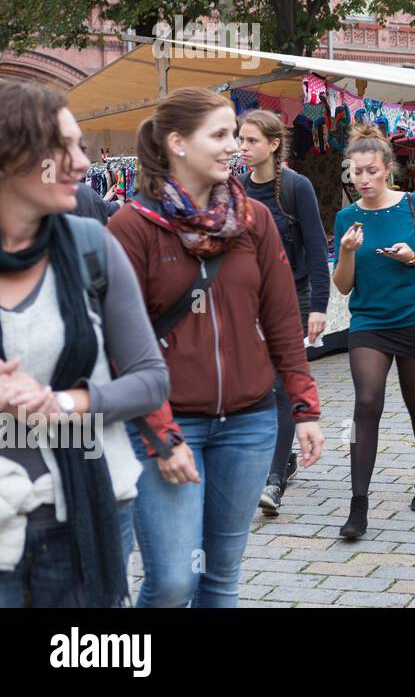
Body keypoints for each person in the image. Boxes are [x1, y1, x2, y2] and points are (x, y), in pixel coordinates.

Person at [109, 87, 323, 607]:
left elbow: (280, 321)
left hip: (249, 422)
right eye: (221, 134)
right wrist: (161, 433)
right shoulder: (131, 227)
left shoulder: (254, 220)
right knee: (173, 580)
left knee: (222, 577)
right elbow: (122, 346)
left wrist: (305, 405)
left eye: (238, 135)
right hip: (167, 424)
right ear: (178, 143)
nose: (235, 147)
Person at [0, 82, 169, 608]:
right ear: (13, 155)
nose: (80, 162)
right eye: (64, 147)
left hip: (89, 507)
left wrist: (64, 402)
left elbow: (150, 378)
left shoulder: (93, 247)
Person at [331, 124, 415, 540]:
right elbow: (344, 285)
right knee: (367, 403)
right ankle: (358, 506)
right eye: (355, 173)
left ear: (387, 169)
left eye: (370, 171)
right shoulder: (346, 217)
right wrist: (346, 252)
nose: (362, 180)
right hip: (369, 323)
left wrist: (413, 257)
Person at [237, 110, 331, 516]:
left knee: (280, 385)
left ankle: (273, 481)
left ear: (274, 145)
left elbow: (314, 247)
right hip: (245, 303)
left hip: (290, 298)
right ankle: (280, 458)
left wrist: (319, 306)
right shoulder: (236, 188)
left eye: (251, 141)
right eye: (240, 140)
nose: (243, 147)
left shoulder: (297, 187)